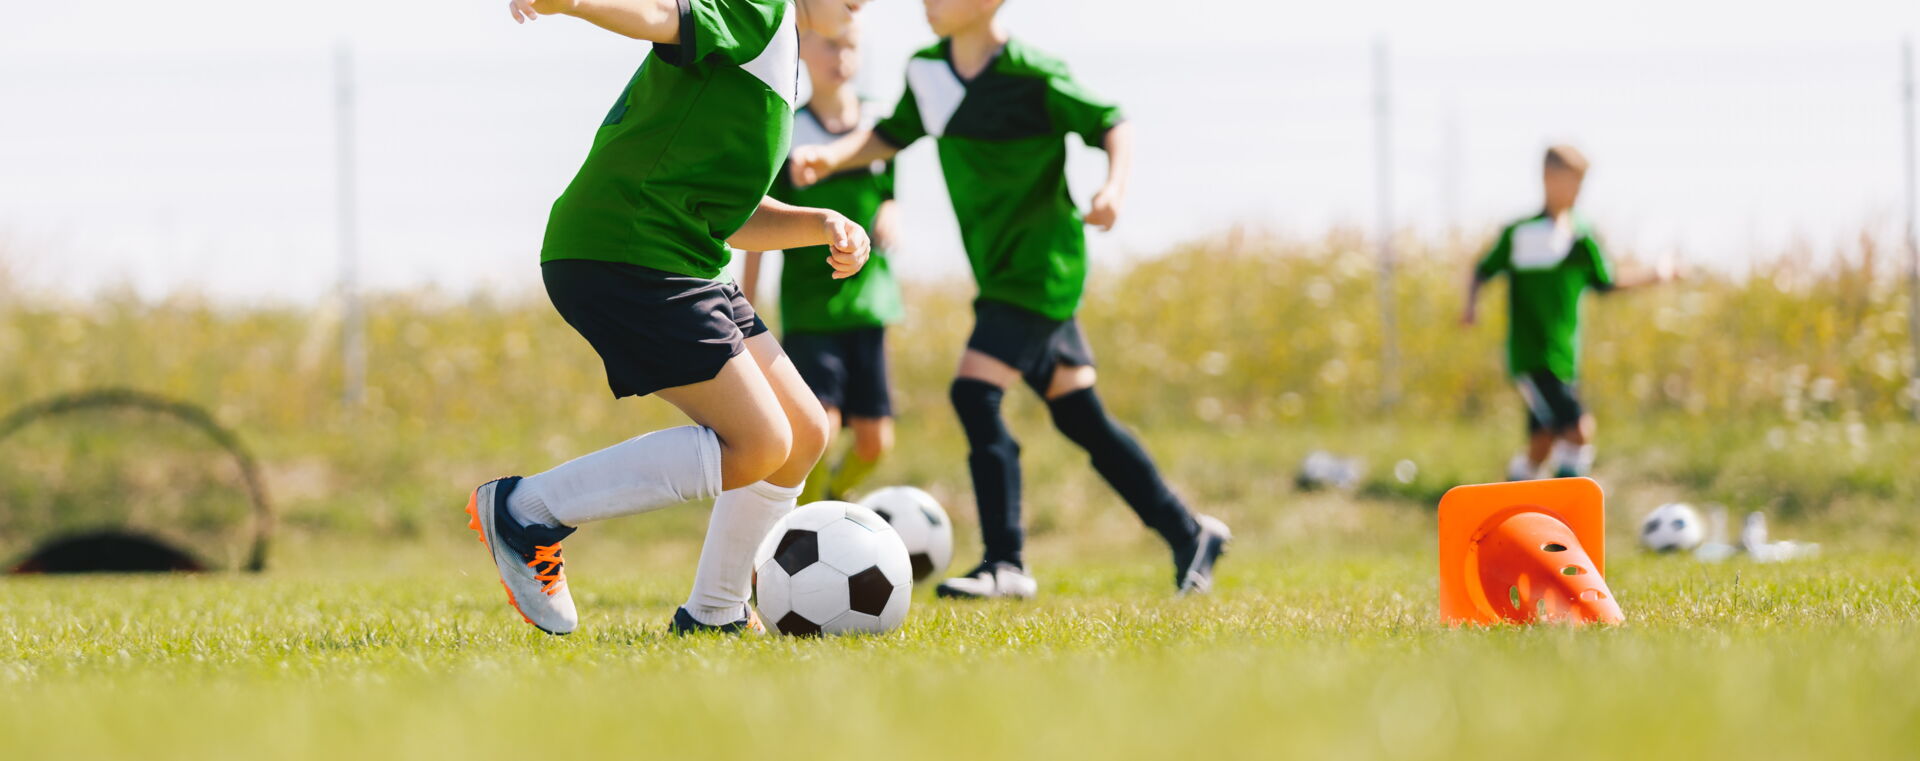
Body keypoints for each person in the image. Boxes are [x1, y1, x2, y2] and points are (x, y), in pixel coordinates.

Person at [790, 0, 1230, 600]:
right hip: (998, 273)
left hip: (1043, 268)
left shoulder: (1032, 74)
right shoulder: (927, 70)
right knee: (1082, 418)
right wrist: (832, 157)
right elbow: (892, 135)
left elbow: (1113, 123)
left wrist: (1113, 188)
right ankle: (1189, 532)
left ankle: (1006, 563)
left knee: (974, 392)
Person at [467, 0, 874, 637]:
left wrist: (820, 223)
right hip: (625, 251)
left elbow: (728, 211)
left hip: (680, 256)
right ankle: (526, 512)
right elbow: (662, 14)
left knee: (802, 432)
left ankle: (715, 613)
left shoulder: (779, 54)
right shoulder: (759, 9)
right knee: (760, 442)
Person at [741, 22, 903, 505]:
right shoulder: (789, 128)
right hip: (811, 307)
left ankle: (832, 501)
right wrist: (746, 305)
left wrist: (892, 210)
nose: (842, 56)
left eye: (851, 45)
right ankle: (800, 524)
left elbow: (890, 187)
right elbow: (758, 225)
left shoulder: (880, 122)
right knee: (821, 428)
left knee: (875, 443)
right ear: (802, 47)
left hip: (869, 305)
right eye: (831, 44)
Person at [1463, 145, 1676, 481]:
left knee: (1542, 440)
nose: (1576, 192)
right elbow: (1481, 269)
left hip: (1564, 356)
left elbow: (1606, 282)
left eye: (1580, 184)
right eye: (1570, 182)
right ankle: (1569, 503)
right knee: (1579, 429)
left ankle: (1514, 493)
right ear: (1548, 179)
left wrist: (1655, 275)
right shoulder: (1520, 233)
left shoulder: (1580, 235)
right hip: (1531, 354)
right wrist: (1470, 306)